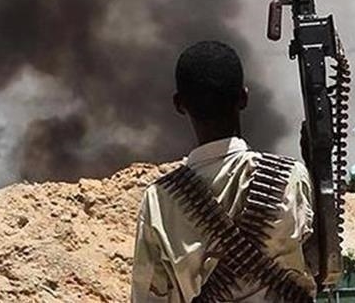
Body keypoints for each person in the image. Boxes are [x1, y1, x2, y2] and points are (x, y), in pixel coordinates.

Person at [130, 40, 316, 302]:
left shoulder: (159, 199)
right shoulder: (289, 176)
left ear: (179, 104)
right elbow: (322, 267)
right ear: (243, 98)